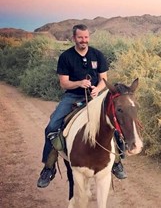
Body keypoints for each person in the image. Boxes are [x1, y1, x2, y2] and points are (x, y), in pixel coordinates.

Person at [37, 24, 127, 188]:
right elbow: (64, 84)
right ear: (74, 38)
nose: (83, 40)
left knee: (112, 122)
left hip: (95, 97)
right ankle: (48, 168)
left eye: (86, 37)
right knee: (52, 126)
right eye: (80, 37)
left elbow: (103, 80)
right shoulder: (66, 56)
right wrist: (79, 83)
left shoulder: (97, 55)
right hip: (72, 97)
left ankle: (117, 161)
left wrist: (97, 90)